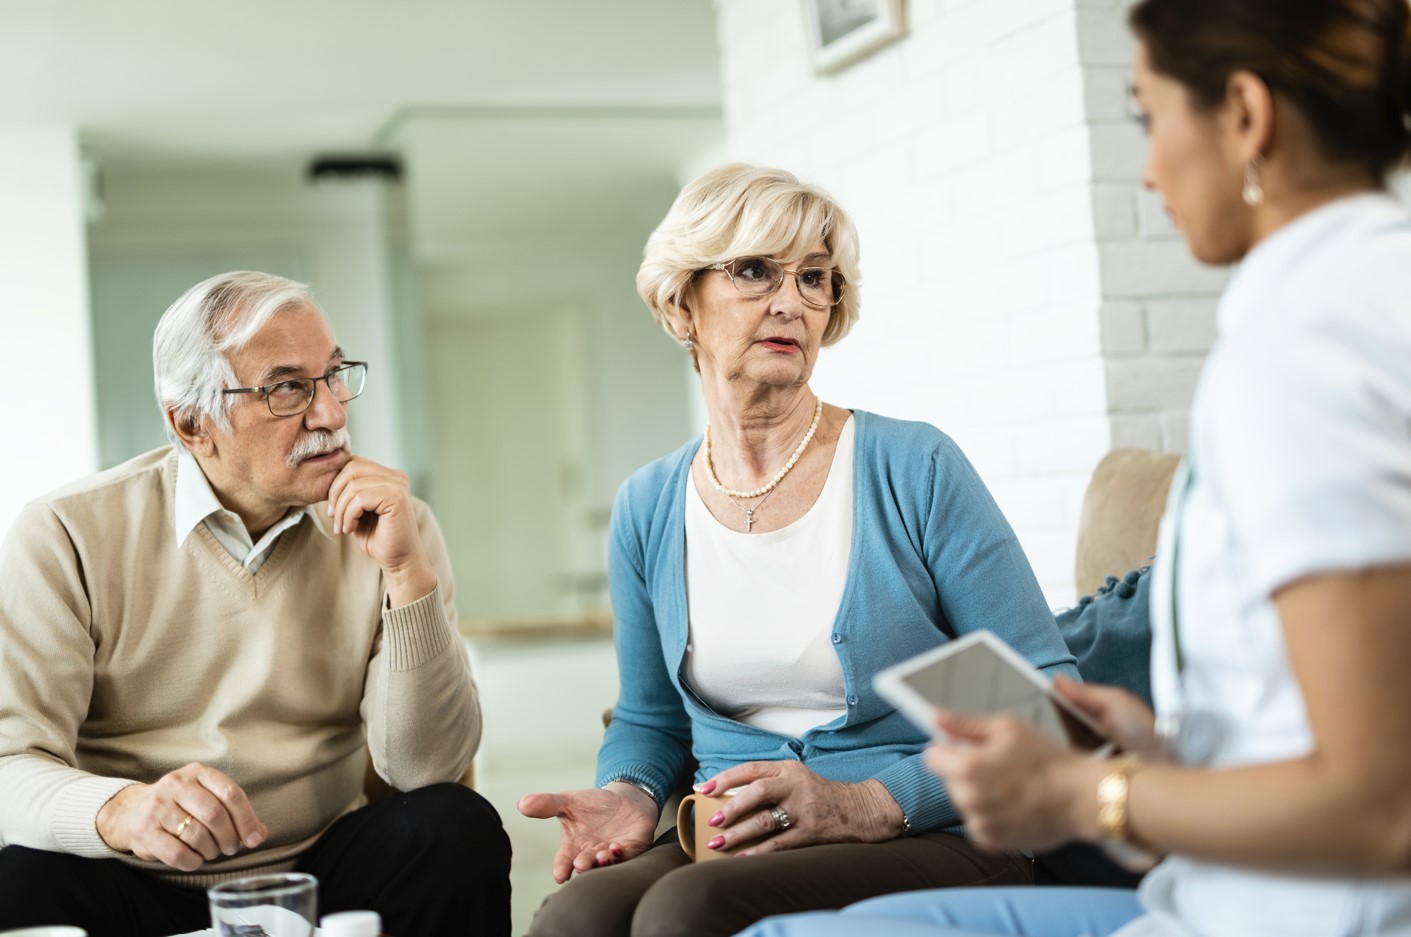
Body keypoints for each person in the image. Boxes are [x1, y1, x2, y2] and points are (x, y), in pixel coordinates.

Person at [739, 0, 1411, 935]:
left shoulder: (1306, 352)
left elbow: (1380, 806)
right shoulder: (1356, 301)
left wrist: (1090, 795)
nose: (1145, 168)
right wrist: (1164, 756)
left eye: (1148, 115)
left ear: (1247, 115)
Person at [516, 164, 1080, 937]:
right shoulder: (647, 506)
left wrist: (866, 803)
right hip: (733, 832)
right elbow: (650, 716)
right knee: (575, 917)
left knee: (687, 909)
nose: (791, 301)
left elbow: (1041, 702)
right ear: (682, 302)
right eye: (754, 270)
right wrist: (629, 793)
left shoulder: (911, 467)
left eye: (815, 278)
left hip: (934, 828)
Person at [0, 271, 511, 936]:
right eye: (288, 388)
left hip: (321, 866)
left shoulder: (397, 525)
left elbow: (426, 770)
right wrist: (121, 810)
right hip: (133, 874)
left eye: (333, 376)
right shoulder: (66, 533)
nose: (331, 413)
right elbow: (11, 764)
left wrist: (404, 571)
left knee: (455, 826)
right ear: (191, 422)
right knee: (19, 877)